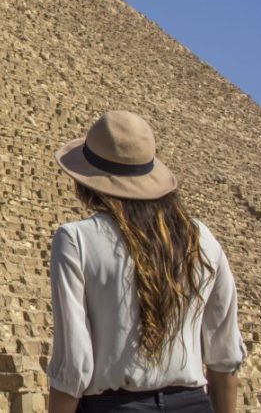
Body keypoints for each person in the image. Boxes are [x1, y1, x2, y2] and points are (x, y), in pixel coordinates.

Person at [47, 110, 247, 413]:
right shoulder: (201, 238)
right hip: (194, 404)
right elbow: (225, 357)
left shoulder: (76, 240)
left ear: (85, 181)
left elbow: (74, 364)